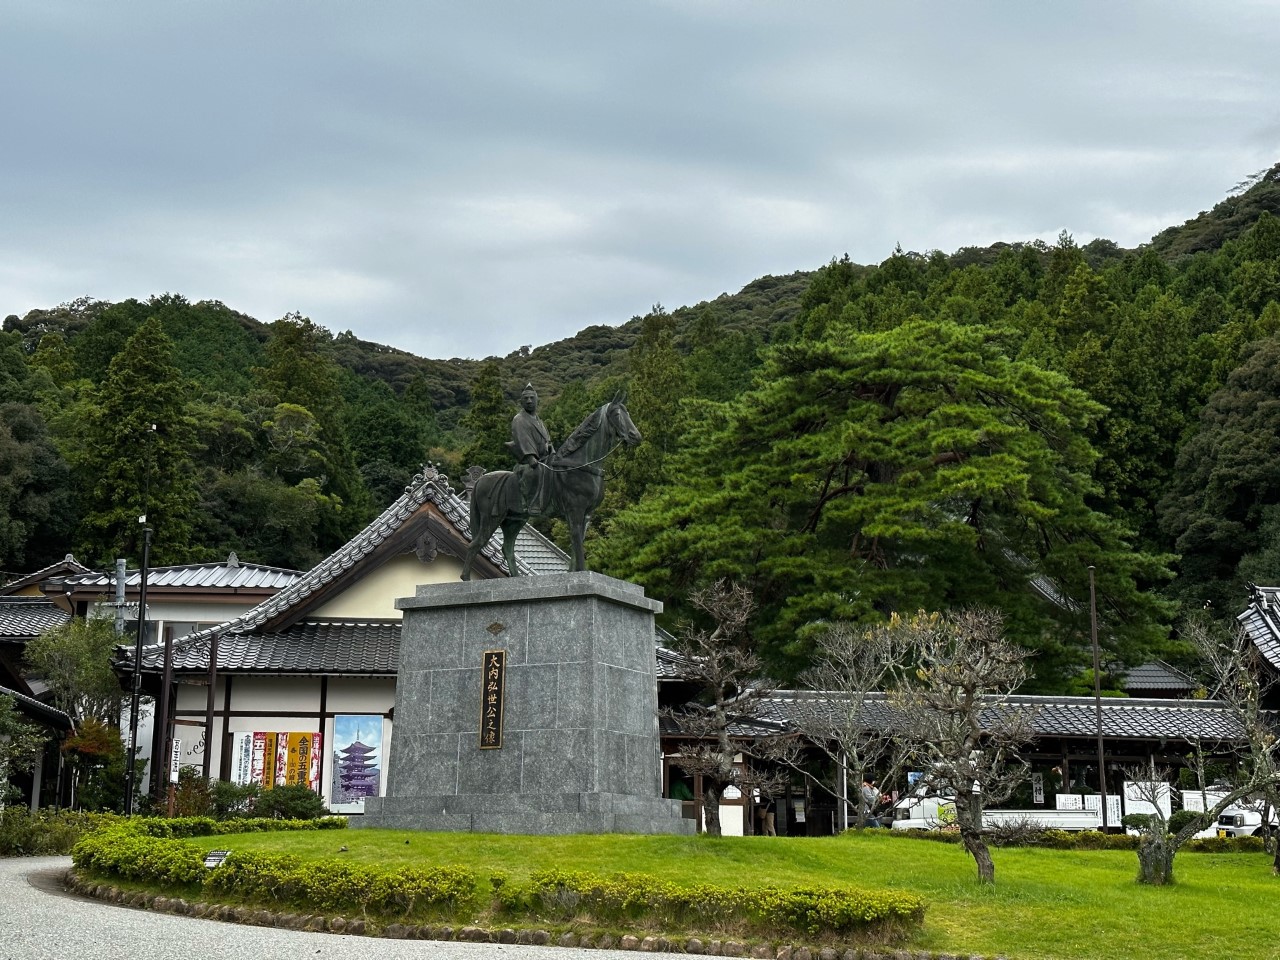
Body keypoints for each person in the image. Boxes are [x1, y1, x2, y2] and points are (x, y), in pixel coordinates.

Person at [510, 383, 553, 513]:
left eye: (532, 398)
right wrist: (530, 456)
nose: (529, 401)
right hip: (529, 462)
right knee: (534, 473)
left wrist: (550, 448)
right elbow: (523, 439)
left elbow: (547, 439)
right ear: (521, 402)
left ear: (537, 400)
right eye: (526, 399)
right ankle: (529, 503)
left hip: (544, 459)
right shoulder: (519, 419)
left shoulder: (539, 420)